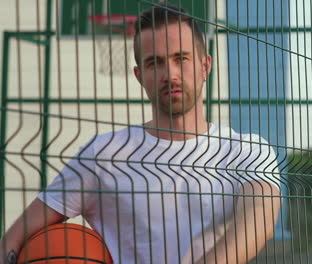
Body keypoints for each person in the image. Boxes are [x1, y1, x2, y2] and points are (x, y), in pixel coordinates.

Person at [0, 3, 281, 264]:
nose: (169, 74)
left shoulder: (247, 150)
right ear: (139, 76)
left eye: (180, 58)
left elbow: (259, 221)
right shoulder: (104, 154)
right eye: (154, 62)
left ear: (204, 65)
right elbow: (13, 239)